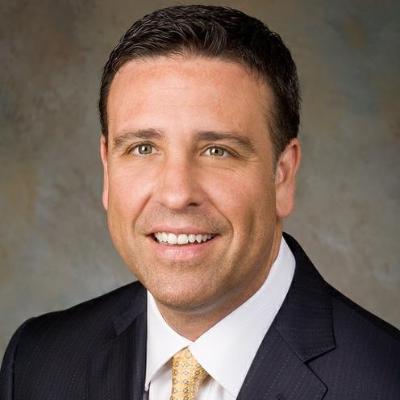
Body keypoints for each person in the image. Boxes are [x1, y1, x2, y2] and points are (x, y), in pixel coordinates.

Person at [1, 5, 399, 400]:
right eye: (143, 148)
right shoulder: (37, 363)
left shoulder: (385, 382)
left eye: (217, 151)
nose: (177, 194)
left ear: (282, 174)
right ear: (107, 168)